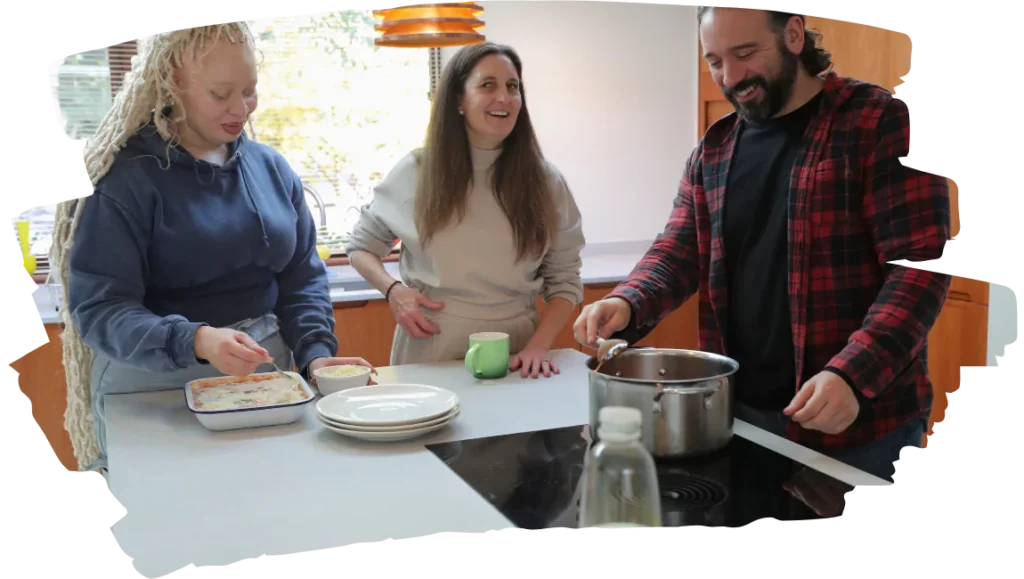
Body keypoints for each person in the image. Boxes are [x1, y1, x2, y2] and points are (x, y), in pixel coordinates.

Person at [574, 7, 950, 483]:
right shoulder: (715, 147)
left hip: (858, 423)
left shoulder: (881, 123)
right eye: (714, 60)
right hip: (739, 415)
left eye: (745, 53)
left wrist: (854, 373)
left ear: (794, 34)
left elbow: (920, 265)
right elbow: (679, 248)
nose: (730, 77)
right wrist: (627, 301)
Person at [51, 22, 372, 477]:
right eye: (221, 94)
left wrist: (316, 353)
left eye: (249, 91)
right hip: (151, 389)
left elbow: (301, 277)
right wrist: (197, 340)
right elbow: (101, 310)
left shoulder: (271, 169)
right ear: (173, 84)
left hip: (263, 382)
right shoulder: (125, 181)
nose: (240, 108)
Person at [346, 42, 586, 379]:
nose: (504, 97)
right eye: (488, 85)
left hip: (518, 352)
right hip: (430, 347)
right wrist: (393, 291)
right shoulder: (417, 171)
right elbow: (361, 248)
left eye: (512, 87)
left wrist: (539, 346)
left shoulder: (547, 182)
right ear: (459, 100)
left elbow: (566, 282)